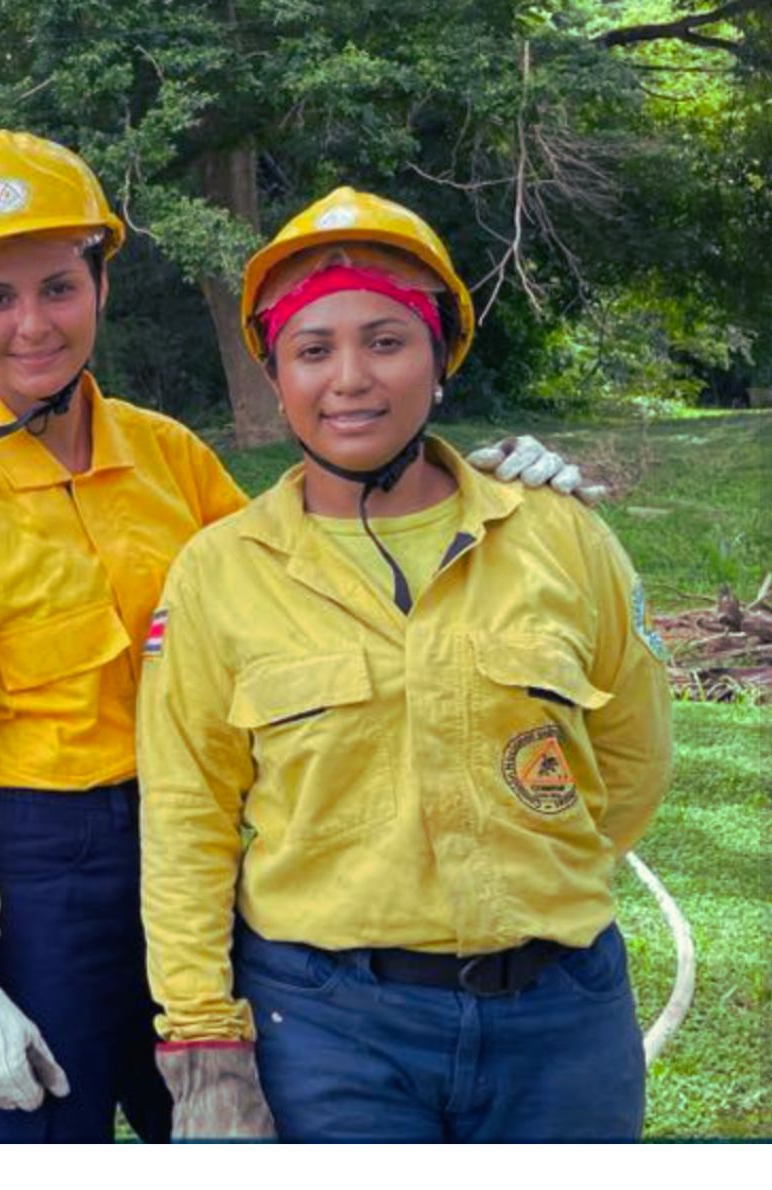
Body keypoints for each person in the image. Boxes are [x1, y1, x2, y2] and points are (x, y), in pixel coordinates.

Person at [0, 132, 598, 1145]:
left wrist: (470, 484)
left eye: (55, 287)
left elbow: (305, 558)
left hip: (201, 861)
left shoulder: (168, 458)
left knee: (224, 1129)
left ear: (98, 282)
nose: (30, 324)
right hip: (42, 880)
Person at [136, 187, 672, 1143]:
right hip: (332, 1031)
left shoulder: (559, 538)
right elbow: (187, 819)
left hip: (561, 1021)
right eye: (313, 349)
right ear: (276, 376)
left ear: (439, 361)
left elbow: (630, 762)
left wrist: (535, 873)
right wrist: (201, 1041)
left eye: (386, 341)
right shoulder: (221, 576)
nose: (350, 378)